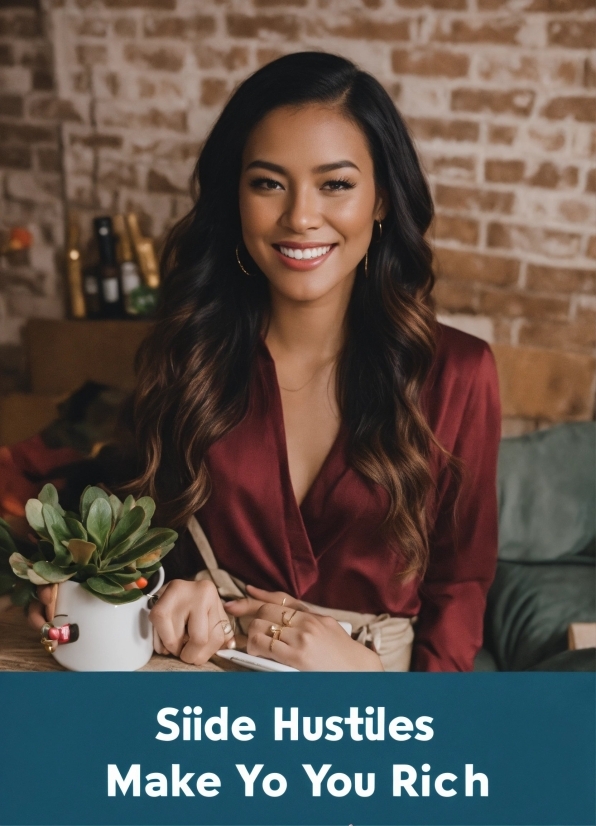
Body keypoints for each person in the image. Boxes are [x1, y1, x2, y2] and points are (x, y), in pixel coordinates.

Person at [31, 52, 501, 671]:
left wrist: (382, 691)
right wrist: (95, 592)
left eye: (335, 183)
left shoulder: (459, 374)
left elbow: (459, 590)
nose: (300, 217)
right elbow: (131, 538)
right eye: (268, 183)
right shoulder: (189, 352)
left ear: (382, 200)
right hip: (202, 693)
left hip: (376, 707)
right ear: (236, 196)